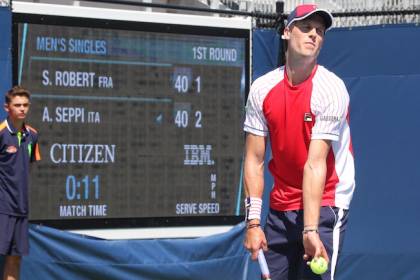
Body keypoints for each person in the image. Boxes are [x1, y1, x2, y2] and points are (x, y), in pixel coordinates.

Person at [243, 4, 355, 280]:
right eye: (305, 27)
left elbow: (315, 165)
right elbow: (255, 160)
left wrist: (310, 230)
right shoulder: (262, 89)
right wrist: (253, 222)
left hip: (327, 204)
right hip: (280, 209)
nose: (313, 35)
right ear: (286, 32)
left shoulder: (331, 89)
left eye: (319, 31)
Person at [0, 86, 40, 280]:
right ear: (7, 108)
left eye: (25, 105)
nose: (22, 109)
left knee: (15, 259)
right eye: (17, 105)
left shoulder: (32, 135)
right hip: (2, 208)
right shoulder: (0, 133)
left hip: (21, 209)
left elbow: (28, 168)